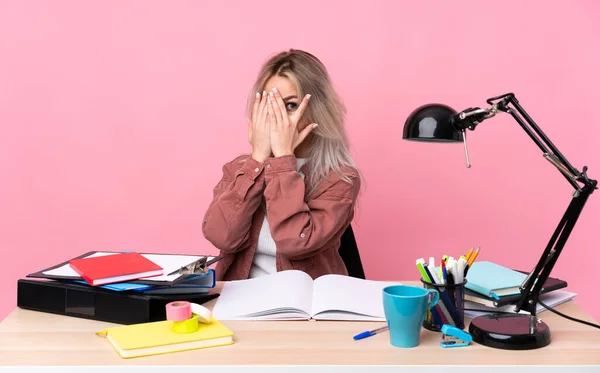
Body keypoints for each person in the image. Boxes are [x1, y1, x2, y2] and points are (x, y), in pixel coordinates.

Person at [202, 49, 362, 281]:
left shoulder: (339, 178)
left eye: (290, 105)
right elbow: (221, 236)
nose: (277, 118)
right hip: (240, 299)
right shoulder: (240, 168)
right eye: (269, 104)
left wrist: (283, 161)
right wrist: (257, 159)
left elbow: (294, 243)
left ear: (317, 109)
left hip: (304, 303)